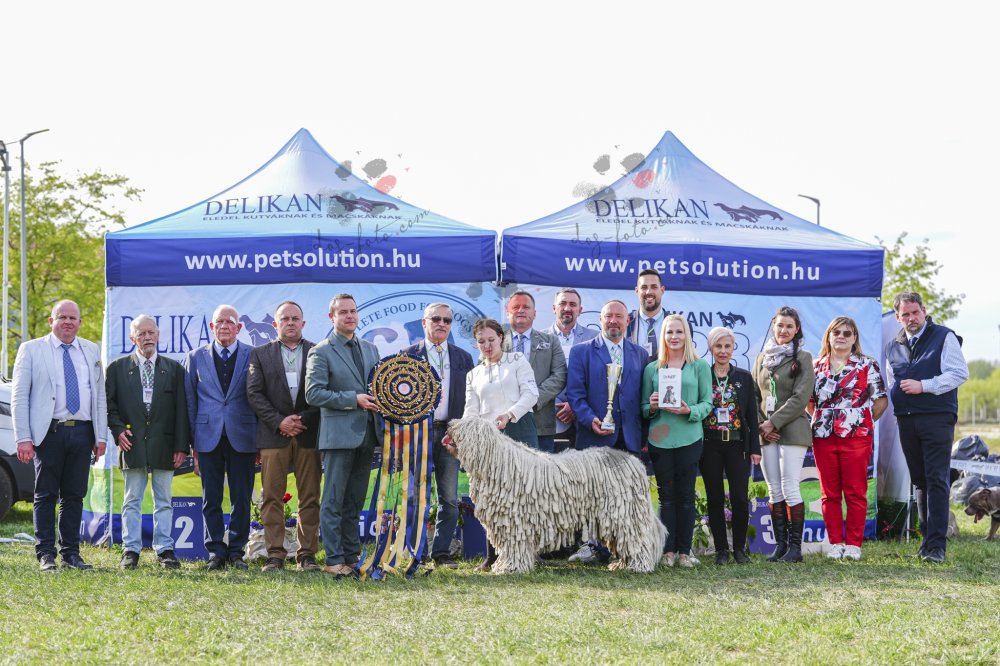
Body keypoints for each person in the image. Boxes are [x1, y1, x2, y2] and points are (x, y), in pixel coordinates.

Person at [12, 300, 108, 572]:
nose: (67, 322)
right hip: (48, 433)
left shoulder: (91, 350)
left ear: (79, 323)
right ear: (51, 321)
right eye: (62, 317)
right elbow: (19, 396)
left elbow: (99, 396)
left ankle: (70, 554)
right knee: (45, 494)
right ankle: (45, 554)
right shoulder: (31, 349)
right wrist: (23, 437)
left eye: (72, 318)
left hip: (83, 432)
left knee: (74, 495)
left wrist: (100, 436)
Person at [885, 292, 969, 563]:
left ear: (924, 311)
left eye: (915, 312)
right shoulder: (893, 346)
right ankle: (926, 543)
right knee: (920, 481)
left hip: (937, 417)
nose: (911, 318)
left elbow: (959, 373)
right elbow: (892, 382)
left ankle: (937, 547)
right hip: (906, 419)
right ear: (897, 317)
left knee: (936, 479)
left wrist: (924, 386)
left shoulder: (944, 336)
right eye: (905, 314)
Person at [564, 299, 649, 564]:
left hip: (629, 437)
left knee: (627, 496)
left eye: (619, 316)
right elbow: (575, 395)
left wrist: (645, 434)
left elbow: (642, 396)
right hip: (595, 436)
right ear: (600, 319)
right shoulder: (581, 352)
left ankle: (626, 548)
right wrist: (591, 420)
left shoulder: (640, 354)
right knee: (593, 495)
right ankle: (593, 546)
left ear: (627, 321)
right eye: (608, 316)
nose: (613, 321)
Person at [305, 293, 382, 578]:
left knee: (354, 501)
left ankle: (351, 557)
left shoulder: (371, 349)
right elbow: (313, 393)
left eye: (353, 311)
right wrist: (353, 399)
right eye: (343, 312)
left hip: (367, 434)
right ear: (332, 317)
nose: (350, 316)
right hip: (338, 436)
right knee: (333, 500)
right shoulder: (321, 351)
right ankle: (334, 559)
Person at [106, 315, 190, 570]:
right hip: (131, 444)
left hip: (165, 445)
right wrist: (118, 431)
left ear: (158, 335)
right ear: (132, 338)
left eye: (151, 332)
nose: (147, 337)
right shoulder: (117, 369)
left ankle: (164, 549)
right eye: (141, 333)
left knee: (164, 500)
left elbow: (182, 411)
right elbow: (109, 406)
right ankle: (130, 549)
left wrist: (181, 446)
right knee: (132, 499)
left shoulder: (174, 369)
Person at [246, 301, 322, 572]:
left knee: (310, 496)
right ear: (275, 324)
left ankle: (307, 555)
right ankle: (275, 555)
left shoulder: (318, 352)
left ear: (303, 323)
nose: (290, 322)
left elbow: (324, 390)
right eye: (285, 319)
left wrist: (302, 420)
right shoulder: (259, 354)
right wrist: (279, 421)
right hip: (273, 435)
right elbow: (254, 393)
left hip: (308, 433)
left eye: (295, 318)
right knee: (271, 497)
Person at [184, 304, 257, 571]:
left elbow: (259, 397)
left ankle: (237, 552)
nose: (224, 325)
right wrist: (193, 443)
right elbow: (190, 402)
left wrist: (260, 439)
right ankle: (215, 551)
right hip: (207, 437)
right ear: (212, 327)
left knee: (241, 498)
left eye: (230, 321)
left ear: (239, 327)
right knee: (210, 498)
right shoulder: (195, 357)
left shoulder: (253, 355)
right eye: (219, 322)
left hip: (243, 436)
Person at [462, 317, 538, 571]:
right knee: (492, 498)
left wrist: (510, 414)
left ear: (501, 338)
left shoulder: (517, 360)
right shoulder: (473, 374)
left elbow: (531, 393)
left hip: (519, 429)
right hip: (488, 441)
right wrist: (463, 433)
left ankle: (526, 553)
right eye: (481, 341)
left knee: (525, 495)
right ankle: (493, 554)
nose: (487, 345)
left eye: (491, 340)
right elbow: (471, 410)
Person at [403, 303, 474, 569]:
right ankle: (416, 552)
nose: (442, 324)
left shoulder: (463, 357)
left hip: (451, 433)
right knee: (415, 497)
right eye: (436, 319)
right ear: (424, 322)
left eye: (447, 320)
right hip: (418, 433)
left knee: (449, 498)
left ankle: (442, 552)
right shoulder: (407, 355)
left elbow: (470, 400)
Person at [811, 316, 887, 561]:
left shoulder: (867, 364)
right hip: (823, 437)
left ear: (855, 338)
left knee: (855, 492)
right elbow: (809, 402)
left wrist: (859, 420)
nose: (841, 337)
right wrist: (823, 419)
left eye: (847, 333)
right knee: (829, 493)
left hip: (857, 438)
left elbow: (881, 401)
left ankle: (854, 544)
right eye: (837, 332)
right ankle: (836, 543)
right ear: (829, 336)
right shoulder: (815, 365)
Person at [642, 314, 713, 567]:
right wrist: (651, 406)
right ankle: (667, 551)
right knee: (666, 496)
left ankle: (684, 552)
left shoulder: (700, 366)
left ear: (687, 335)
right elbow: (643, 408)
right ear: (663, 335)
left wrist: (689, 410)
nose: (674, 336)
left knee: (685, 496)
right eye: (669, 332)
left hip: (689, 438)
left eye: (679, 332)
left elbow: (708, 403)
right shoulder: (652, 368)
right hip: (660, 441)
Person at [752, 306, 815, 563]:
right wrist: (762, 425)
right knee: (774, 489)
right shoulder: (761, 358)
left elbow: (801, 398)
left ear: (796, 329)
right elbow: (754, 396)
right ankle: (781, 546)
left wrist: (774, 423)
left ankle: (795, 549)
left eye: (789, 326)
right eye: (780, 325)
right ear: (773, 326)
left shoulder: (804, 357)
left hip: (793, 430)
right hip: (765, 432)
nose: (784, 330)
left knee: (790, 486)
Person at [700, 326, 761, 565]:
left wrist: (755, 448)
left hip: (737, 445)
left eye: (727, 346)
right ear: (711, 348)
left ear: (734, 348)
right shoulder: (703, 375)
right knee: (714, 497)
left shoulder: (743, 377)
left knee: (739, 498)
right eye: (718, 346)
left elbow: (752, 416)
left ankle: (739, 549)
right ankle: (721, 551)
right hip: (710, 445)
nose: (723, 351)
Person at [503, 291, 567, 453]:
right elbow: (484, 374)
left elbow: (560, 376)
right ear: (507, 312)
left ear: (535, 313)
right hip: (503, 424)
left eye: (526, 307)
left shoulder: (551, 341)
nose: (521, 310)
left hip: (540, 424)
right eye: (515, 307)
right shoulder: (495, 341)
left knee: (542, 470)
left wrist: (530, 399)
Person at [545, 287, 598, 453]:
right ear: (554, 308)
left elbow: (599, 378)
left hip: (585, 418)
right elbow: (536, 378)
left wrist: (575, 406)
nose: (567, 308)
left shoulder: (595, 338)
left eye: (573, 304)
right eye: (562, 303)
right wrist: (555, 404)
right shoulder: (539, 339)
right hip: (551, 417)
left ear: (580, 310)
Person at [625, 268, 667, 356]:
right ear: (637, 291)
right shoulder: (625, 322)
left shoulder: (679, 324)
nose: (649, 292)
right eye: (644, 287)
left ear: (662, 290)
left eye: (654, 287)